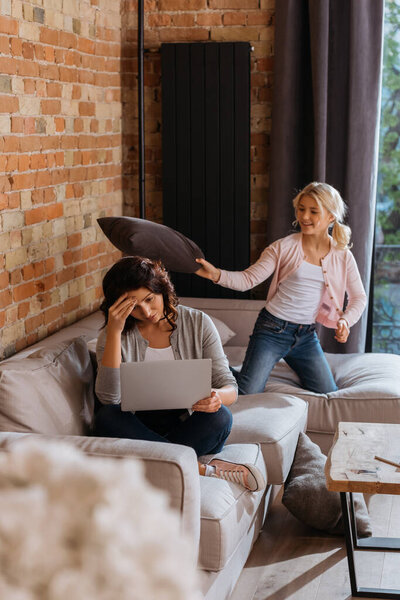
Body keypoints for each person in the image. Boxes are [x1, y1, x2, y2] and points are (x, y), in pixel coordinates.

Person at [94, 256, 265, 492]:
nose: (145, 311)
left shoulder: (198, 322)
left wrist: (217, 396)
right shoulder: (113, 334)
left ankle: (157, 460)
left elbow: (229, 386)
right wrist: (114, 332)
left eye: (149, 299)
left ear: (162, 290)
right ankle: (201, 469)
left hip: (184, 424)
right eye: (133, 307)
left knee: (221, 417)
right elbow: (109, 398)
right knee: (106, 417)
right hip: (133, 427)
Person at [195, 181, 367, 395]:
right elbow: (248, 279)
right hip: (272, 330)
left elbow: (359, 297)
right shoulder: (283, 247)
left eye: (313, 211)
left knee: (327, 391)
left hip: (306, 335)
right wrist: (215, 274)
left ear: (331, 216)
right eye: (301, 209)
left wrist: (345, 320)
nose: (304, 217)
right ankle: (214, 366)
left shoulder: (342, 255)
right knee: (248, 391)